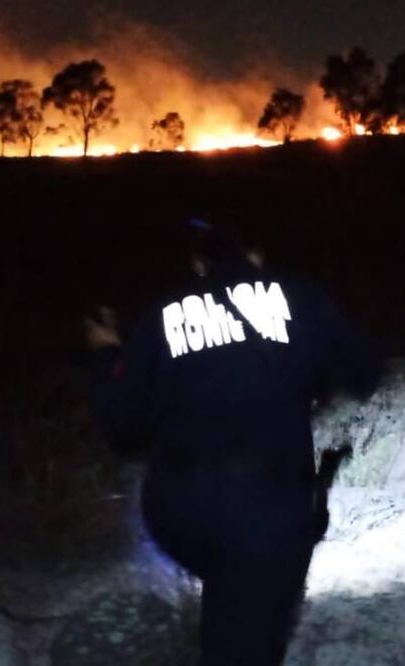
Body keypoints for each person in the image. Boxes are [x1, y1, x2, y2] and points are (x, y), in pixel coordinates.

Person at [85, 218, 379, 665]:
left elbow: (122, 424)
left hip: (177, 510)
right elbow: (363, 374)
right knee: (249, 619)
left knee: (235, 599)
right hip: (269, 505)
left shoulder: (162, 314)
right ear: (258, 256)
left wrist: (106, 350)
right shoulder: (298, 296)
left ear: (199, 262)